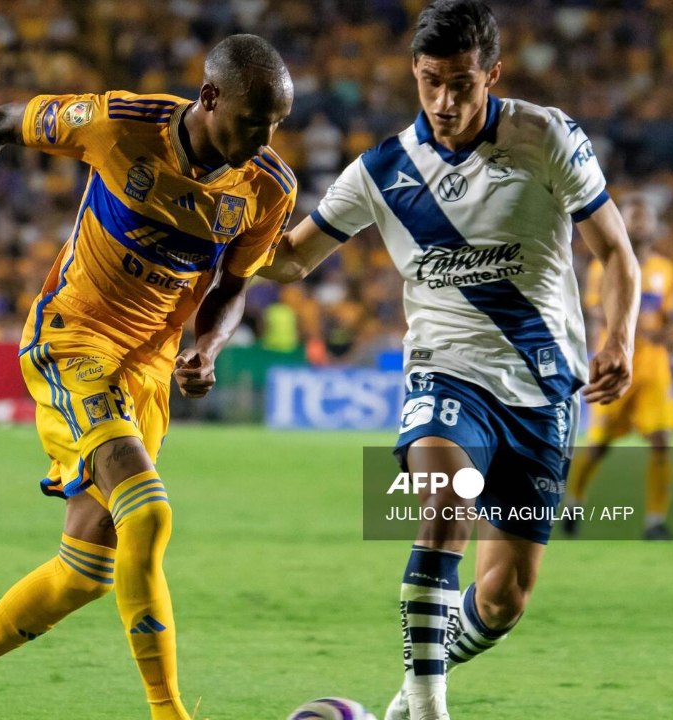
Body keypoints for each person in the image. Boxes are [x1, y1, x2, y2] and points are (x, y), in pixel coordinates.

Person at [0, 34, 296, 719]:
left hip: (148, 368)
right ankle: (169, 712)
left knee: (86, 572)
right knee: (149, 512)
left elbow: (233, 285)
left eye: (276, 124)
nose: (265, 137)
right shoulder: (119, 126)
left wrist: (209, 346)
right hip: (72, 340)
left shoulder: (267, 185)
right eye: (254, 121)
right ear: (210, 97)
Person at [258, 2, 639, 718]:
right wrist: (219, 231)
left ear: (491, 74)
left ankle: (405, 700)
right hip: (446, 371)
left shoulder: (547, 136)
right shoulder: (382, 170)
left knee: (503, 599)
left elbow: (616, 251)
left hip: (543, 388)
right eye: (430, 82)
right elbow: (288, 260)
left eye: (461, 83)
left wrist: (619, 336)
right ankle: (432, 709)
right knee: (448, 499)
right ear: (414, 72)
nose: (444, 101)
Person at [563, 194, 673, 540]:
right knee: (598, 446)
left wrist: (668, 335)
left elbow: (669, 318)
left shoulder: (665, 269)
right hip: (614, 362)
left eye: (646, 216)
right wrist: (635, 324)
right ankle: (574, 501)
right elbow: (597, 310)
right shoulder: (603, 265)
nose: (640, 222)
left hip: (654, 366)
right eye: (633, 216)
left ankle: (655, 521)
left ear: (656, 226)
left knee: (662, 441)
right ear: (621, 222)